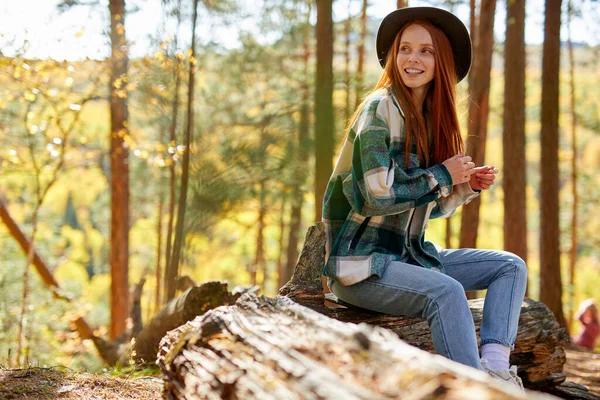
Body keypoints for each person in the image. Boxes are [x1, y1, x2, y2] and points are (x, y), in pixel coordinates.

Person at [321, 6, 527, 391]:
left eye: (425, 51)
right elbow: (375, 198)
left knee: (510, 267)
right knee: (447, 291)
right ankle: (476, 392)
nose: (412, 59)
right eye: (405, 49)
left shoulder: (430, 119)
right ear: (394, 55)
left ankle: (497, 369)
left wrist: (465, 186)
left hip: (406, 256)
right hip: (361, 266)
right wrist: (443, 174)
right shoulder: (379, 108)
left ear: (441, 62)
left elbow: (423, 209)